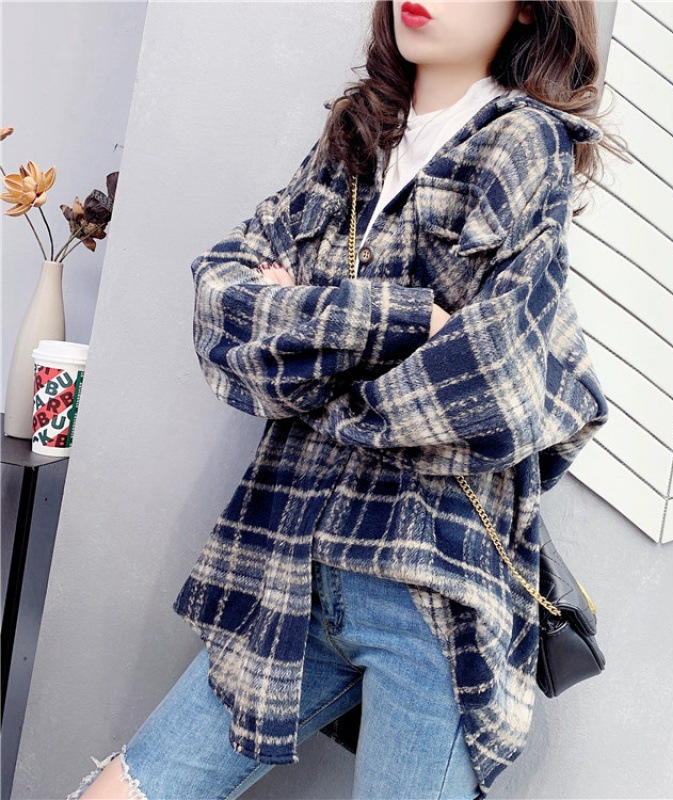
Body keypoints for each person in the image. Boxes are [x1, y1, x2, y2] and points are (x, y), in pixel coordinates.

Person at [67, 1, 626, 798]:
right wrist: (408, 318)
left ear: (529, 9)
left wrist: (307, 348)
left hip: (426, 590)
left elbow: (492, 383)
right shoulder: (357, 134)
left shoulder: (522, 141)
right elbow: (220, 304)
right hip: (287, 556)